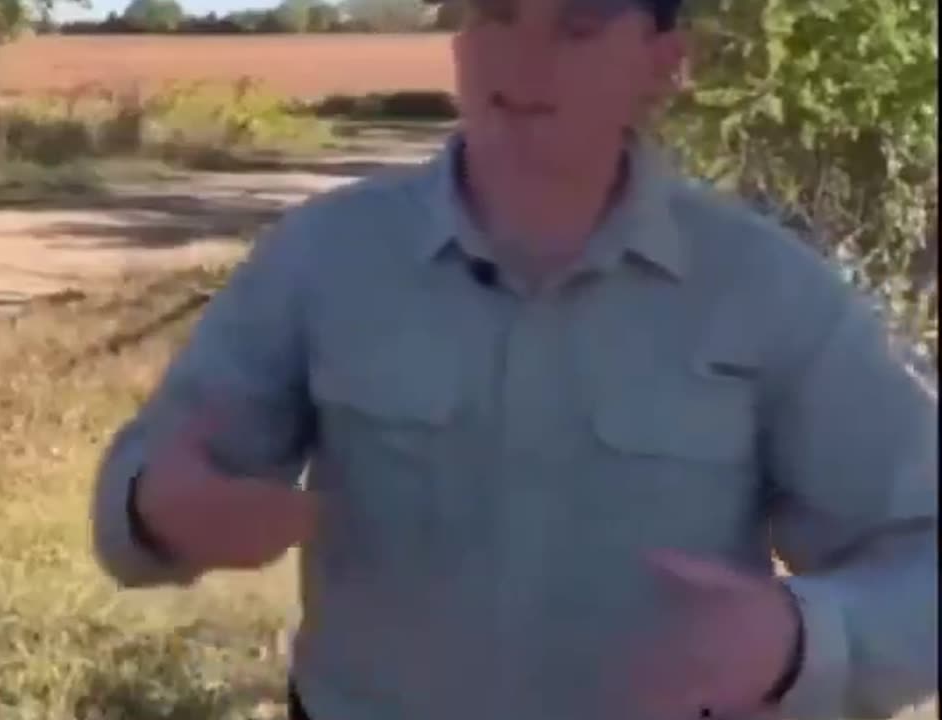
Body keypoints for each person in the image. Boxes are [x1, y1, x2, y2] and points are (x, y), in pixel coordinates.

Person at [90, 0, 939, 717]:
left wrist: (798, 641)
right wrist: (159, 509)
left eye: (575, 25)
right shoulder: (324, 256)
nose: (524, 57)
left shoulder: (765, 289)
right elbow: (142, 483)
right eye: (496, 12)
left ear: (663, 64)